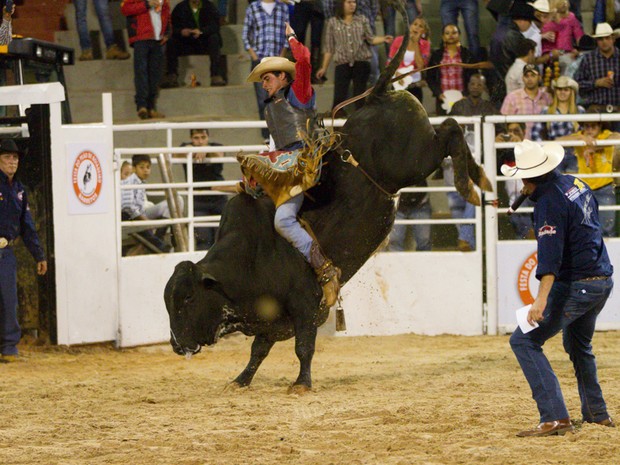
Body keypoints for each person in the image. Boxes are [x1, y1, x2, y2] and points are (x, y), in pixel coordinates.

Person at [505, 139, 615, 437]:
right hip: (600, 280)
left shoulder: (548, 204)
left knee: (524, 341)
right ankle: (597, 414)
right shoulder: (574, 182)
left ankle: (554, 417)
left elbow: (550, 257)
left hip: (576, 284)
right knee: (578, 346)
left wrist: (540, 301)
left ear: (528, 179)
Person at [243, 23, 340, 306]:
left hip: (303, 163)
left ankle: (324, 268)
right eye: (262, 79)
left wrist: (292, 37)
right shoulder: (272, 106)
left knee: (283, 220)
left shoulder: (299, 93)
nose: (264, 83)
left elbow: (306, 60)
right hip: (287, 162)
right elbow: (277, 144)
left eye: (268, 78)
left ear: (283, 77)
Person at [0, 139, 47, 362]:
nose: (12, 161)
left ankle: (9, 347)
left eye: (15, 158)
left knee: (9, 299)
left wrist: (38, 254)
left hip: (6, 250)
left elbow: (27, 225)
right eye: (7, 157)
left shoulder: (19, 190)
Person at [445, 73, 497, 250]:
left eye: (479, 84)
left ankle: (465, 238)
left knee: (470, 197)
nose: (475, 86)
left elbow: (498, 130)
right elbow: (448, 129)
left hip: (479, 162)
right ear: (467, 85)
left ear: (483, 87)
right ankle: (467, 241)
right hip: (458, 159)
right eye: (472, 83)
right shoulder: (458, 106)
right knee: (455, 204)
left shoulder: (489, 107)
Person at [316, 0, 392, 116]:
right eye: (349, 2)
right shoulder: (333, 22)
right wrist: (324, 67)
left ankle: (361, 122)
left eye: (354, 2)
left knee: (360, 96)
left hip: (361, 61)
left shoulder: (362, 20)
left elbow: (370, 39)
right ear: (342, 4)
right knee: (339, 97)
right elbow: (329, 48)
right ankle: (337, 125)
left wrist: (383, 39)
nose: (353, 5)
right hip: (343, 61)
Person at [557, 117, 620, 237]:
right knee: (584, 229)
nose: (590, 130)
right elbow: (558, 141)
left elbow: (617, 137)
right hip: (584, 189)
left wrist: (597, 146)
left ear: (600, 126)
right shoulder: (580, 137)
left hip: (605, 187)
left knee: (607, 229)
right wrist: (581, 138)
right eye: (587, 126)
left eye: (594, 126)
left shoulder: (605, 135)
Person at [242, 0, 289, 141]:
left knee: (280, 99)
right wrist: (255, 57)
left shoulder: (283, 8)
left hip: (277, 62)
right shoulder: (253, 7)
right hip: (260, 61)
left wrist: (281, 58)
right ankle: (267, 136)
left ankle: (281, 134)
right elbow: (246, 35)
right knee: (263, 100)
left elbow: (287, 34)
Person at [121, 154, 183, 253]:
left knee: (177, 200)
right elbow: (128, 206)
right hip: (128, 216)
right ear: (134, 168)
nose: (145, 170)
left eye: (148, 167)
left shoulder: (140, 182)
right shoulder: (130, 182)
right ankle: (160, 243)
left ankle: (159, 236)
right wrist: (146, 221)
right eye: (142, 167)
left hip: (141, 213)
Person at [121, 0, 171, 120]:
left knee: (155, 74)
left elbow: (167, 14)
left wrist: (167, 33)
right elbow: (125, 9)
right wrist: (146, 4)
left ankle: (151, 107)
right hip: (141, 37)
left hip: (158, 39)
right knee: (141, 72)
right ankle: (142, 106)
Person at [179, 128, 228, 249]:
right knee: (203, 240)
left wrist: (205, 150)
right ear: (191, 139)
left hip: (218, 199)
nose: (200, 141)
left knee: (223, 238)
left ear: (208, 138)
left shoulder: (216, 146)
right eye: (196, 138)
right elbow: (177, 153)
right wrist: (191, 150)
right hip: (198, 201)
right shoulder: (186, 147)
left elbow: (219, 154)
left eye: (203, 137)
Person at [160, 0, 226, 89]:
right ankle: (171, 75)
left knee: (214, 38)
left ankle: (215, 75)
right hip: (186, 42)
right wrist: (181, 31)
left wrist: (202, 31)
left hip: (203, 42)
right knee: (171, 41)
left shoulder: (209, 6)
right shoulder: (180, 8)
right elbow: (172, 27)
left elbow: (215, 26)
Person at [531, 75, 585, 172]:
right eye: (559, 89)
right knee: (556, 184)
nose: (562, 92)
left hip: (575, 154)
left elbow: (585, 133)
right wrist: (545, 150)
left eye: (566, 90)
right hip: (554, 154)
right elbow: (535, 133)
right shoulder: (546, 111)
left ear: (571, 92)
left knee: (573, 183)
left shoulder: (580, 111)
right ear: (555, 91)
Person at [574, 22, 620, 130]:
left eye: (607, 38)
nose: (604, 42)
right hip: (596, 111)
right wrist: (596, 83)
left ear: (613, 39)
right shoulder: (588, 59)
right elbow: (577, 85)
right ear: (596, 41)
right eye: (600, 39)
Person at [496, 122, 536, 239]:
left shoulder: (530, 148)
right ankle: (527, 235)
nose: (512, 135)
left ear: (524, 133)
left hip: (531, 195)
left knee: (518, 205)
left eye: (516, 131)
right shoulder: (502, 153)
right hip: (511, 199)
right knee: (514, 207)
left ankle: (528, 234)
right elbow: (493, 170)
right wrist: (496, 147)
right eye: (509, 132)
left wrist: (520, 145)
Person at [426, 23, 476, 116]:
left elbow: (473, 76)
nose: (451, 35)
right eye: (447, 33)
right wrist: (438, 93)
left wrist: (466, 94)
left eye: (454, 33)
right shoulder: (437, 55)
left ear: (459, 35)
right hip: (443, 99)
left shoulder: (467, 55)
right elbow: (430, 77)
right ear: (443, 37)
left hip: (463, 98)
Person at [501, 63, 552, 139]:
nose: (529, 79)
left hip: (542, 143)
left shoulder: (547, 97)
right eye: (526, 76)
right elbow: (504, 124)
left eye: (533, 75)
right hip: (520, 144)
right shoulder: (512, 97)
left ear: (539, 77)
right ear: (522, 78)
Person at [386, 16, 430, 102]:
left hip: (415, 85)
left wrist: (416, 43)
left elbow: (421, 66)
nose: (417, 27)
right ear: (410, 26)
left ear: (423, 32)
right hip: (397, 83)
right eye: (415, 24)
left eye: (420, 26)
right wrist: (397, 74)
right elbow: (390, 62)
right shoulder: (398, 40)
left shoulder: (425, 45)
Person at [387, 185, 432, 252]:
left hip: (420, 203)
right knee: (394, 240)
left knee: (424, 239)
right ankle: (397, 262)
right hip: (398, 205)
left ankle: (424, 261)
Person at [290, 0, 325, 84]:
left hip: (317, 4)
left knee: (316, 40)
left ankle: (314, 73)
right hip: (300, 3)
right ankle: (298, 72)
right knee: (299, 36)